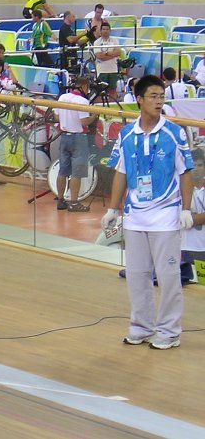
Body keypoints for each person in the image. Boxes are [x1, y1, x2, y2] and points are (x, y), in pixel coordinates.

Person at [102, 74, 194, 350]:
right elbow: (120, 173)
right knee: (137, 274)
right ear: (139, 100)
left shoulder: (173, 133)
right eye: (153, 96)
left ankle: (169, 330)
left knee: (167, 278)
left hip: (165, 217)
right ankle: (141, 326)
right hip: (134, 216)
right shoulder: (127, 134)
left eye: (162, 96)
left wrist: (186, 209)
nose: (158, 101)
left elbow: (186, 173)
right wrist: (112, 209)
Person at [54, 77, 98, 212]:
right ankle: (73, 203)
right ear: (84, 86)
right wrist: (95, 115)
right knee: (76, 173)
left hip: (64, 136)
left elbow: (56, 117)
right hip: (78, 138)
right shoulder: (83, 101)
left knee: (62, 170)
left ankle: (60, 200)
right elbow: (84, 122)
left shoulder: (62, 97)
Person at [94, 22, 121, 96]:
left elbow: (118, 52)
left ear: (110, 30)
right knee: (101, 90)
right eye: (103, 29)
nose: (105, 31)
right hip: (102, 70)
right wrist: (111, 54)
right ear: (101, 30)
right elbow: (99, 56)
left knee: (112, 90)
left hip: (113, 69)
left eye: (107, 29)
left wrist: (106, 53)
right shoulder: (97, 42)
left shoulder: (115, 40)